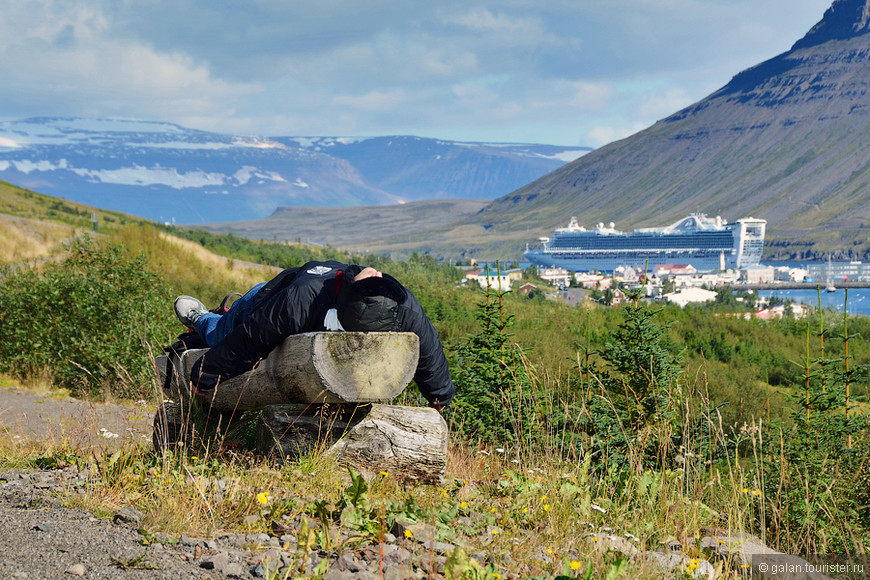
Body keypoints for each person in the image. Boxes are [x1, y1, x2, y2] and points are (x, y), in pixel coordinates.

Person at [173, 260, 454, 410]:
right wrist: (207, 373)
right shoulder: (302, 300)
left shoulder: (399, 303)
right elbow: (252, 337)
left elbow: (428, 345)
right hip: (269, 296)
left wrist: (439, 396)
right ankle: (204, 319)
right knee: (223, 331)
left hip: (289, 302)